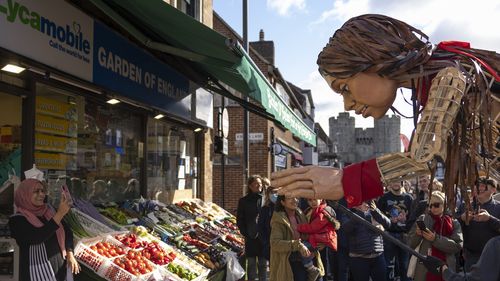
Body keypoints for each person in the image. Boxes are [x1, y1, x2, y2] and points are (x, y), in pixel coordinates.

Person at [272, 14, 499, 209]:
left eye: (345, 88)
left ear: (374, 61)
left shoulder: (449, 76)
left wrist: (344, 180)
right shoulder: (439, 80)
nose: (347, 105)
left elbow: (423, 156)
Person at [8, 178, 80, 281]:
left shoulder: (49, 211)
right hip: (36, 274)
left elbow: (67, 231)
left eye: (42, 191)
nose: (41, 194)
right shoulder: (17, 219)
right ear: (25, 194)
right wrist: (60, 214)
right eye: (36, 191)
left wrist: (69, 252)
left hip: (60, 271)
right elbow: (37, 237)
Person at [408, 191, 462, 281]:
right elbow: (410, 244)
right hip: (423, 269)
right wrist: (417, 235)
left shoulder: (453, 222)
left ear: (444, 205)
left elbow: (457, 246)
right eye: (430, 205)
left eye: (436, 205)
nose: (433, 208)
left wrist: (435, 239)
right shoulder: (423, 219)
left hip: (446, 268)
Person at [269, 195, 324, 281]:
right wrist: (297, 245)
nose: (295, 200)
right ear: (283, 202)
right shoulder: (278, 220)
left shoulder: (301, 214)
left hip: (310, 259)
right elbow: (275, 243)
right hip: (291, 263)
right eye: (290, 198)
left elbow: (309, 233)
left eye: (296, 197)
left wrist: (321, 243)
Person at [342, 200, 391, 281]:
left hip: (377, 255)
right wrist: (361, 213)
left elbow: (388, 224)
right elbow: (346, 228)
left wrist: (376, 211)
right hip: (358, 257)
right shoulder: (348, 212)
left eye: (366, 201)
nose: (365, 203)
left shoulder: (374, 211)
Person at [458, 177, 500, 271]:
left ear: (493, 189)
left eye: (483, 186)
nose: (479, 188)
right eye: (476, 186)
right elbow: (454, 229)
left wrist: (489, 219)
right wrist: (461, 219)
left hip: (494, 258)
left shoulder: (498, 207)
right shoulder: (465, 206)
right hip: (471, 258)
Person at [376, 181, 413, 281]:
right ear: (390, 183)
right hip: (389, 235)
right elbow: (377, 215)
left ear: (402, 183)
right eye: (394, 180)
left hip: (404, 235)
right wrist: (387, 222)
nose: (395, 183)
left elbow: (412, 217)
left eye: (398, 180)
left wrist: (407, 228)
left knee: (405, 266)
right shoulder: (384, 197)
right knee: (389, 265)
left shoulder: (408, 198)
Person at [297, 199, 339, 281]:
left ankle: (311, 269)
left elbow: (313, 227)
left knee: (321, 270)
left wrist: (298, 227)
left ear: (321, 199)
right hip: (314, 241)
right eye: (309, 200)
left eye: (315, 200)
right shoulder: (309, 210)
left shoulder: (324, 212)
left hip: (321, 243)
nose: (312, 202)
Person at [237, 175, 267, 281]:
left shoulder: (265, 199)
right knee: (251, 265)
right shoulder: (244, 201)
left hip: (263, 237)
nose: (259, 185)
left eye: (260, 183)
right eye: (256, 183)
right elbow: (240, 219)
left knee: (263, 265)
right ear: (250, 186)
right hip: (250, 237)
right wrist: (245, 232)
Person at [257, 184, 278, 265]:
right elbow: (260, 227)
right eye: (272, 192)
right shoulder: (265, 209)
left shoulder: (285, 208)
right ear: (268, 195)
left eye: (276, 192)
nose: (275, 194)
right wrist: (266, 242)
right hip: (270, 245)